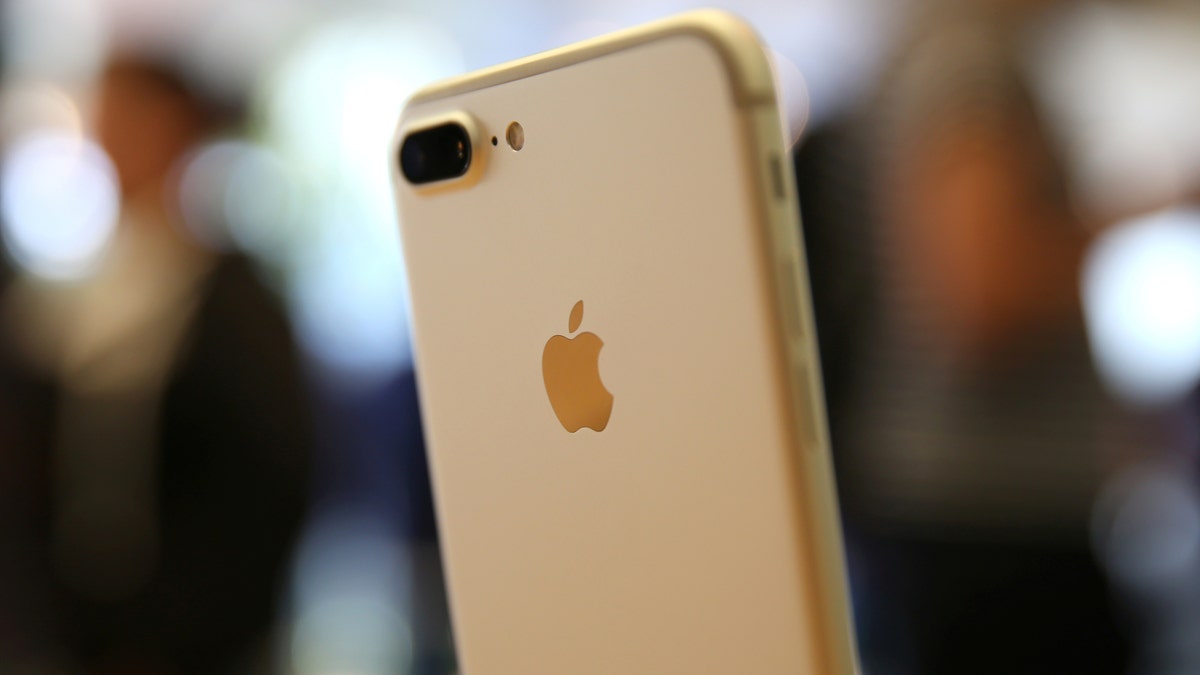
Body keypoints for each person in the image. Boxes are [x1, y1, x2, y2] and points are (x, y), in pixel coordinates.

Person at [0, 56, 313, 673]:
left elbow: (266, 482)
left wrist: (174, 637)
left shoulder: (235, 305)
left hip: (198, 645)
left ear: (177, 127)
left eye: (127, 117)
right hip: (69, 637)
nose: (109, 138)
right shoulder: (67, 297)